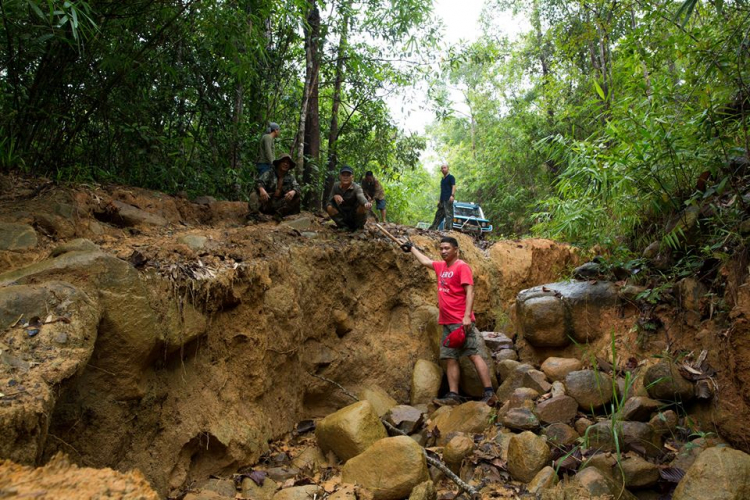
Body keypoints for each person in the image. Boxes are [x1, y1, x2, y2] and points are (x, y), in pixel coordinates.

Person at [401, 236, 497, 406]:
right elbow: (425, 262)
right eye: (441, 248)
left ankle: (489, 393)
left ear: (456, 250)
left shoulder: (462, 267)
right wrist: (412, 248)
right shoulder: (441, 267)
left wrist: (467, 316)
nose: (443, 251)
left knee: (473, 354)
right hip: (446, 322)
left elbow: (470, 292)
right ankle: (453, 395)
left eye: (447, 248)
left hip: (461, 321)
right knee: (450, 358)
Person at [249, 153, 301, 218]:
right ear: (279, 163)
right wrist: (262, 190)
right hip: (266, 202)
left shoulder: (290, 177)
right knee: (254, 195)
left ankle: (278, 215)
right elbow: (259, 182)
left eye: (288, 163)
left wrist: (293, 191)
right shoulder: (270, 173)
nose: (286, 164)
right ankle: (254, 215)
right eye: (283, 162)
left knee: (296, 197)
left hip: (280, 204)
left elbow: (298, 187)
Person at [326, 165, 372, 231]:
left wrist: (366, 203)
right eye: (343, 175)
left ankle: (358, 227)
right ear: (340, 176)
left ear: (352, 177)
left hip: (354, 215)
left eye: (348, 175)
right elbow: (328, 202)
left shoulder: (357, 187)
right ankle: (343, 226)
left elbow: (360, 196)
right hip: (342, 215)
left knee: (363, 207)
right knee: (329, 207)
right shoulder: (336, 186)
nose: (345, 177)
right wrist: (334, 197)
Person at [429, 164, 455, 230]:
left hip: (448, 199)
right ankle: (433, 228)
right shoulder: (442, 180)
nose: (443, 169)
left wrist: (452, 195)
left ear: (448, 168)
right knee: (438, 214)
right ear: (441, 170)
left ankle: (449, 229)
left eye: (445, 168)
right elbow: (442, 191)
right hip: (442, 200)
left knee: (448, 215)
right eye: (442, 168)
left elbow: (453, 186)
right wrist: (439, 200)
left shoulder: (451, 177)